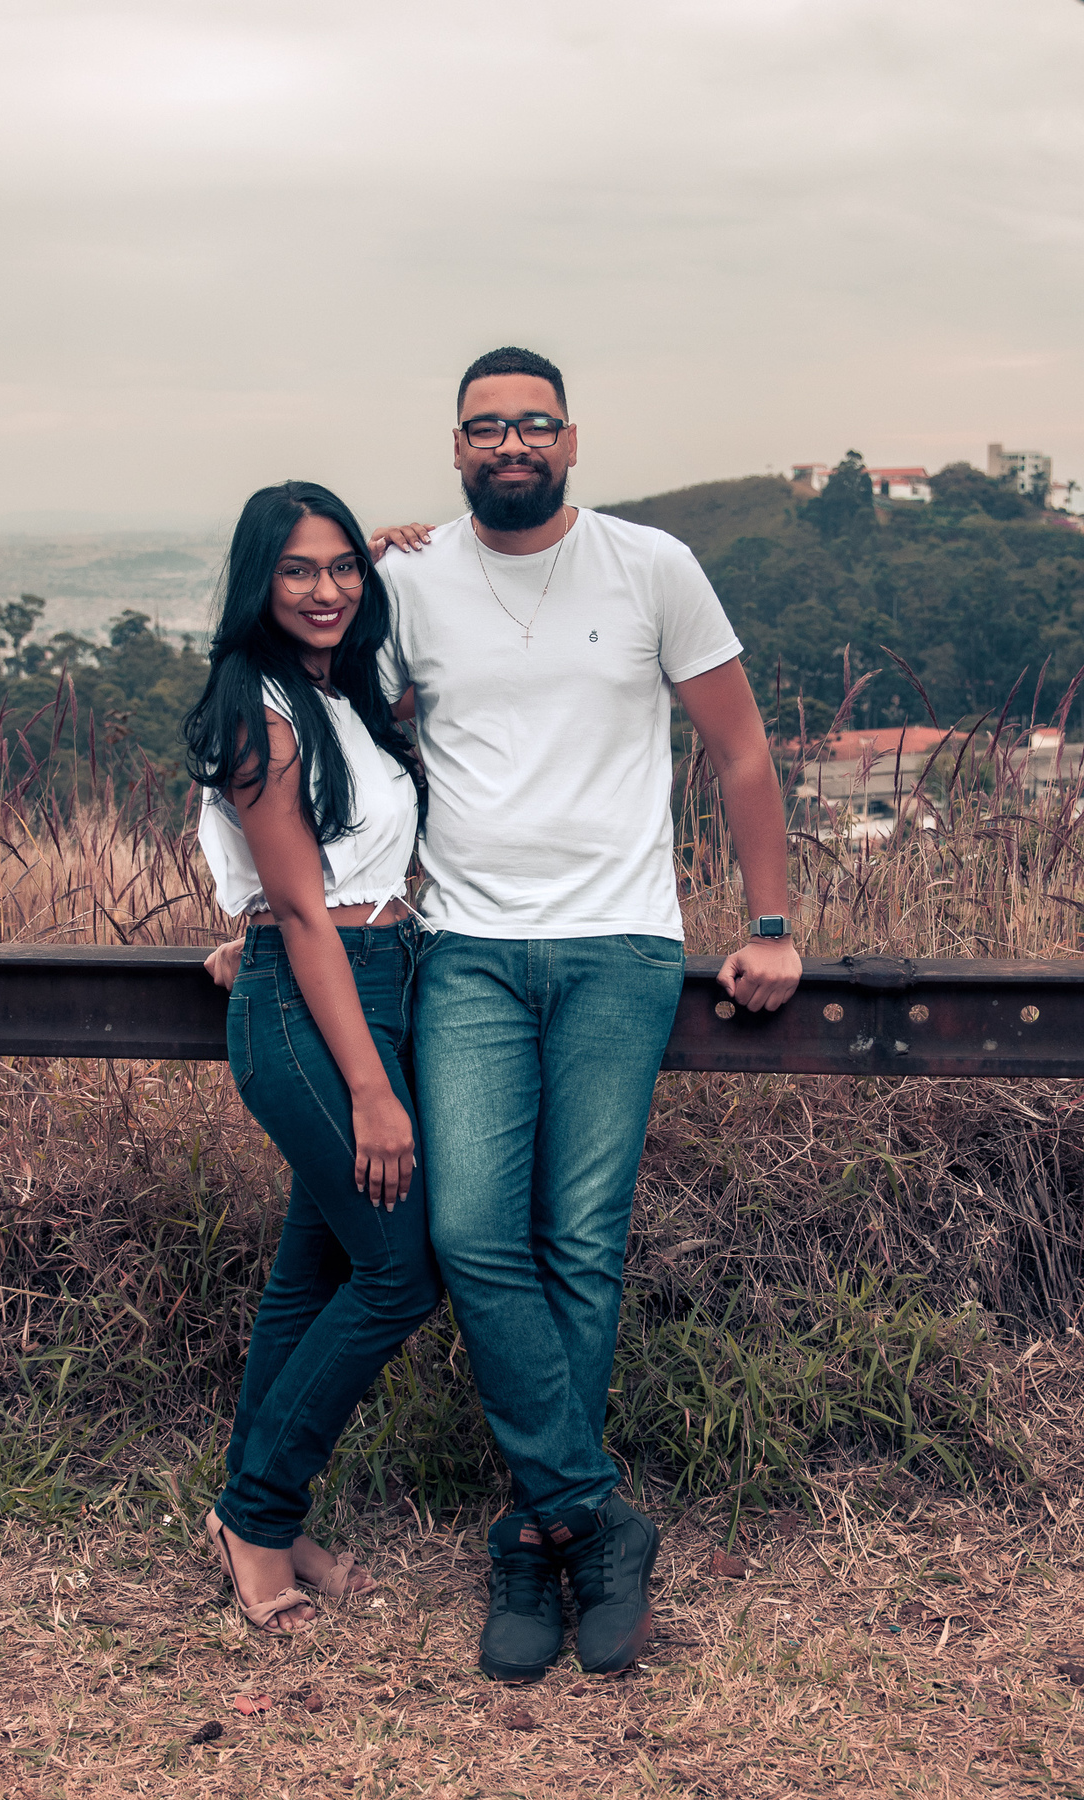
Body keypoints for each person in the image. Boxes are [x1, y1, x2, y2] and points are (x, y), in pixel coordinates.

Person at [370, 346, 802, 1681]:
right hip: (471, 951)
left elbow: (737, 748)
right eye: (486, 426)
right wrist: (270, 911)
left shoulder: (651, 566)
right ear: (454, 448)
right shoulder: (403, 580)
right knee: (468, 1228)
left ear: (570, 439)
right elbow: (351, 757)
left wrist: (774, 925)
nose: (512, 443)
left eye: (534, 423)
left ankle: (531, 1533)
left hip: (621, 946)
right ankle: (591, 1516)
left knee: (580, 1241)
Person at [183, 480, 441, 1635]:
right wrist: (375, 1091)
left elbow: (339, 877)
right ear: (257, 581)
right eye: (298, 571)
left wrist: (375, 554)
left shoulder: (334, 693)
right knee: (401, 1270)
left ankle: (260, 1517)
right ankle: (256, 1510)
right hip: (311, 1004)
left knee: (320, 1273)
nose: (327, 589)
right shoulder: (258, 713)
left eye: (342, 568)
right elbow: (297, 908)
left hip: (372, 983)